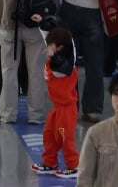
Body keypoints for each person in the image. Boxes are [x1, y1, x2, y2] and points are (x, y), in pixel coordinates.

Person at [50, 0, 111, 122]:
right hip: (92, 15)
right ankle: (92, 109)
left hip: (67, 13)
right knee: (95, 64)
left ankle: (69, 105)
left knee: (68, 63)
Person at [32, 26, 79, 178]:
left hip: (67, 109)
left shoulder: (66, 66)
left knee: (65, 138)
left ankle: (73, 166)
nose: (49, 47)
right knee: (49, 134)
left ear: (61, 47)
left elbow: (62, 64)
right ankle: (50, 162)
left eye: (52, 45)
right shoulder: (54, 58)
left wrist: (54, 55)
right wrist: (43, 23)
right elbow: (50, 35)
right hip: (57, 107)